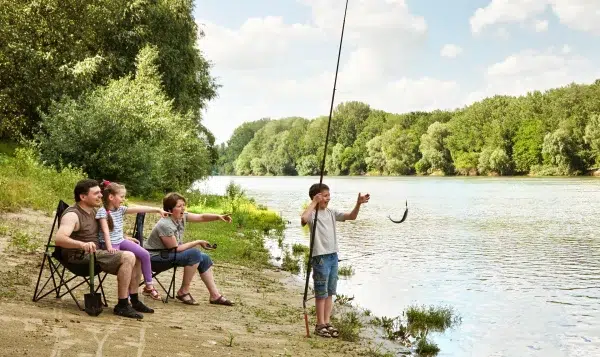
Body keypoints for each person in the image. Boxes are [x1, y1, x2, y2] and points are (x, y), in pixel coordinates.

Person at [55, 179, 154, 319]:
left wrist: (124, 237)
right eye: (96, 193)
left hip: (97, 253)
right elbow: (59, 239)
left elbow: (106, 231)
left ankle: (135, 300)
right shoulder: (72, 215)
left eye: (100, 193)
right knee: (128, 256)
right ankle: (122, 305)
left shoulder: (95, 211)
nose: (101, 196)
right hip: (80, 256)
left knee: (137, 256)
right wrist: (82, 244)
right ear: (83, 197)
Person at [300, 183, 370, 338]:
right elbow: (303, 219)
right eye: (325, 196)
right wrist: (314, 203)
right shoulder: (312, 214)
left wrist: (358, 204)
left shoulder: (331, 213)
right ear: (316, 197)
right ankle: (319, 325)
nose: (328, 198)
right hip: (320, 257)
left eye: (328, 195)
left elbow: (351, 216)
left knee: (330, 291)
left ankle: (327, 322)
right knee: (321, 293)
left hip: (333, 256)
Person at [144, 192, 235, 306]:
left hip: (167, 255)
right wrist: (197, 242)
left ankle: (215, 295)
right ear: (170, 209)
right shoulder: (165, 224)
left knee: (204, 258)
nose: (183, 208)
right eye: (179, 206)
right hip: (154, 259)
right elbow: (175, 249)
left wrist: (218, 216)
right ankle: (183, 291)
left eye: (183, 205)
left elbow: (201, 217)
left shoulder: (181, 217)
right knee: (195, 254)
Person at [97, 180, 169, 301]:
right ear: (111, 197)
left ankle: (149, 285)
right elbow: (105, 231)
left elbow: (139, 208)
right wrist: (109, 247)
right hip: (109, 244)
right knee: (127, 265)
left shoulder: (120, 210)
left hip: (120, 241)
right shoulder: (102, 212)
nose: (123, 199)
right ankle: (127, 296)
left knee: (144, 254)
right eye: (122, 196)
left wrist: (157, 210)